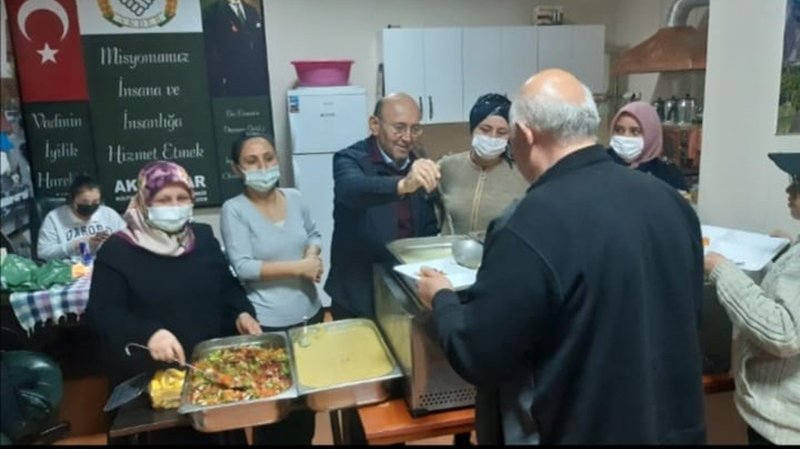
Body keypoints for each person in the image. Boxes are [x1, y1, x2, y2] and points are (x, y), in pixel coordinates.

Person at [416, 69, 707, 444]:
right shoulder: (671, 203)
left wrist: (442, 298)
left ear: (524, 135)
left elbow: (479, 355)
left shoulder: (527, 224)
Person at [85, 161, 261, 444]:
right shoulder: (117, 250)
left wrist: (241, 312)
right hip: (152, 388)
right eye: (164, 199)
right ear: (144, 201)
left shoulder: (203, 238)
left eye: (182, 198)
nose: (174, 206)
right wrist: (149, 333)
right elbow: (102, 313)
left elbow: (227, 287)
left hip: (207, 375)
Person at [220, 132, 322, 445]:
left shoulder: (295, 197)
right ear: (237, 169)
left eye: (268, 158)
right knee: (274, 414)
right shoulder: (234, 209)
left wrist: (312, 255)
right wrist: (299, 267)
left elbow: (314, 234)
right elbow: (243, 266)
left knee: (306, 409)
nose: (263, 167)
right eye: (252, 161)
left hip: (309, 316)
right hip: (268, 325)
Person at [704, 152, 800, 445]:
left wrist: (721, 270)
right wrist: (787, 251)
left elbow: (783, 332)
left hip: (782, 430)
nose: (789, 190)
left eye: (797, 183)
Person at [325, 92, 441, 321]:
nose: (407, 138)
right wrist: (403, 185)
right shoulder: (350, 159)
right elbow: (351, 190)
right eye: (399, 127)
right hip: (357, 292)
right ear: (375, 125)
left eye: (415, 129)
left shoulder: (418, 162)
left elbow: (426, 225)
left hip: (403, 288)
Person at [438, 93, 529, 235]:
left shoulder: (523, 174)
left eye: (502, 132)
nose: (492, 137)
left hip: (499, 249)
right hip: (453, 248)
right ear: (473, 129)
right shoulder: (446, 167)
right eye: (485, 129)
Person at [36, 175, 125, 262]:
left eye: (95, 202)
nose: (90, 205)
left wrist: (112, 242)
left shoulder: (108, 214)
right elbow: (43, 253)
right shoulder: (54, 218)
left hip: (105, 264)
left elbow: (127, 240)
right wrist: (74, 245)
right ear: (72, 199)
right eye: (84, 202)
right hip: (71, 268)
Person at [608, 101, 688, 191]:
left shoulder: (669, 176)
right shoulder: (602, 166)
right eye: (619, 130)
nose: (626, 137)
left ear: (651, 135)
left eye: (635, 132)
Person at [202, 0, 270, 97]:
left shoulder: (251, 10)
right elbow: (210, 50)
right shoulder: (212, 12)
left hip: (256, 80)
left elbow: (259, 43)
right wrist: (220, 77)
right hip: (229, 80)